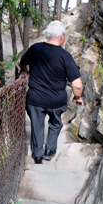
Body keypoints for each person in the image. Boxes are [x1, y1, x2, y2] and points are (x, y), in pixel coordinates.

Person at [19, 20, 84, 164]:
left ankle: (37, 155)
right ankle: (50, 151)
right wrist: (77, 97)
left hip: (35, 100)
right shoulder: (65, 56)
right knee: (55, 123)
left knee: (37, 125)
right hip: (56, 100)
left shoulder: (35, 48)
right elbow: (77, 85)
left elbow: (21, 63)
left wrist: (24, 70)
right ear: (61, 36)